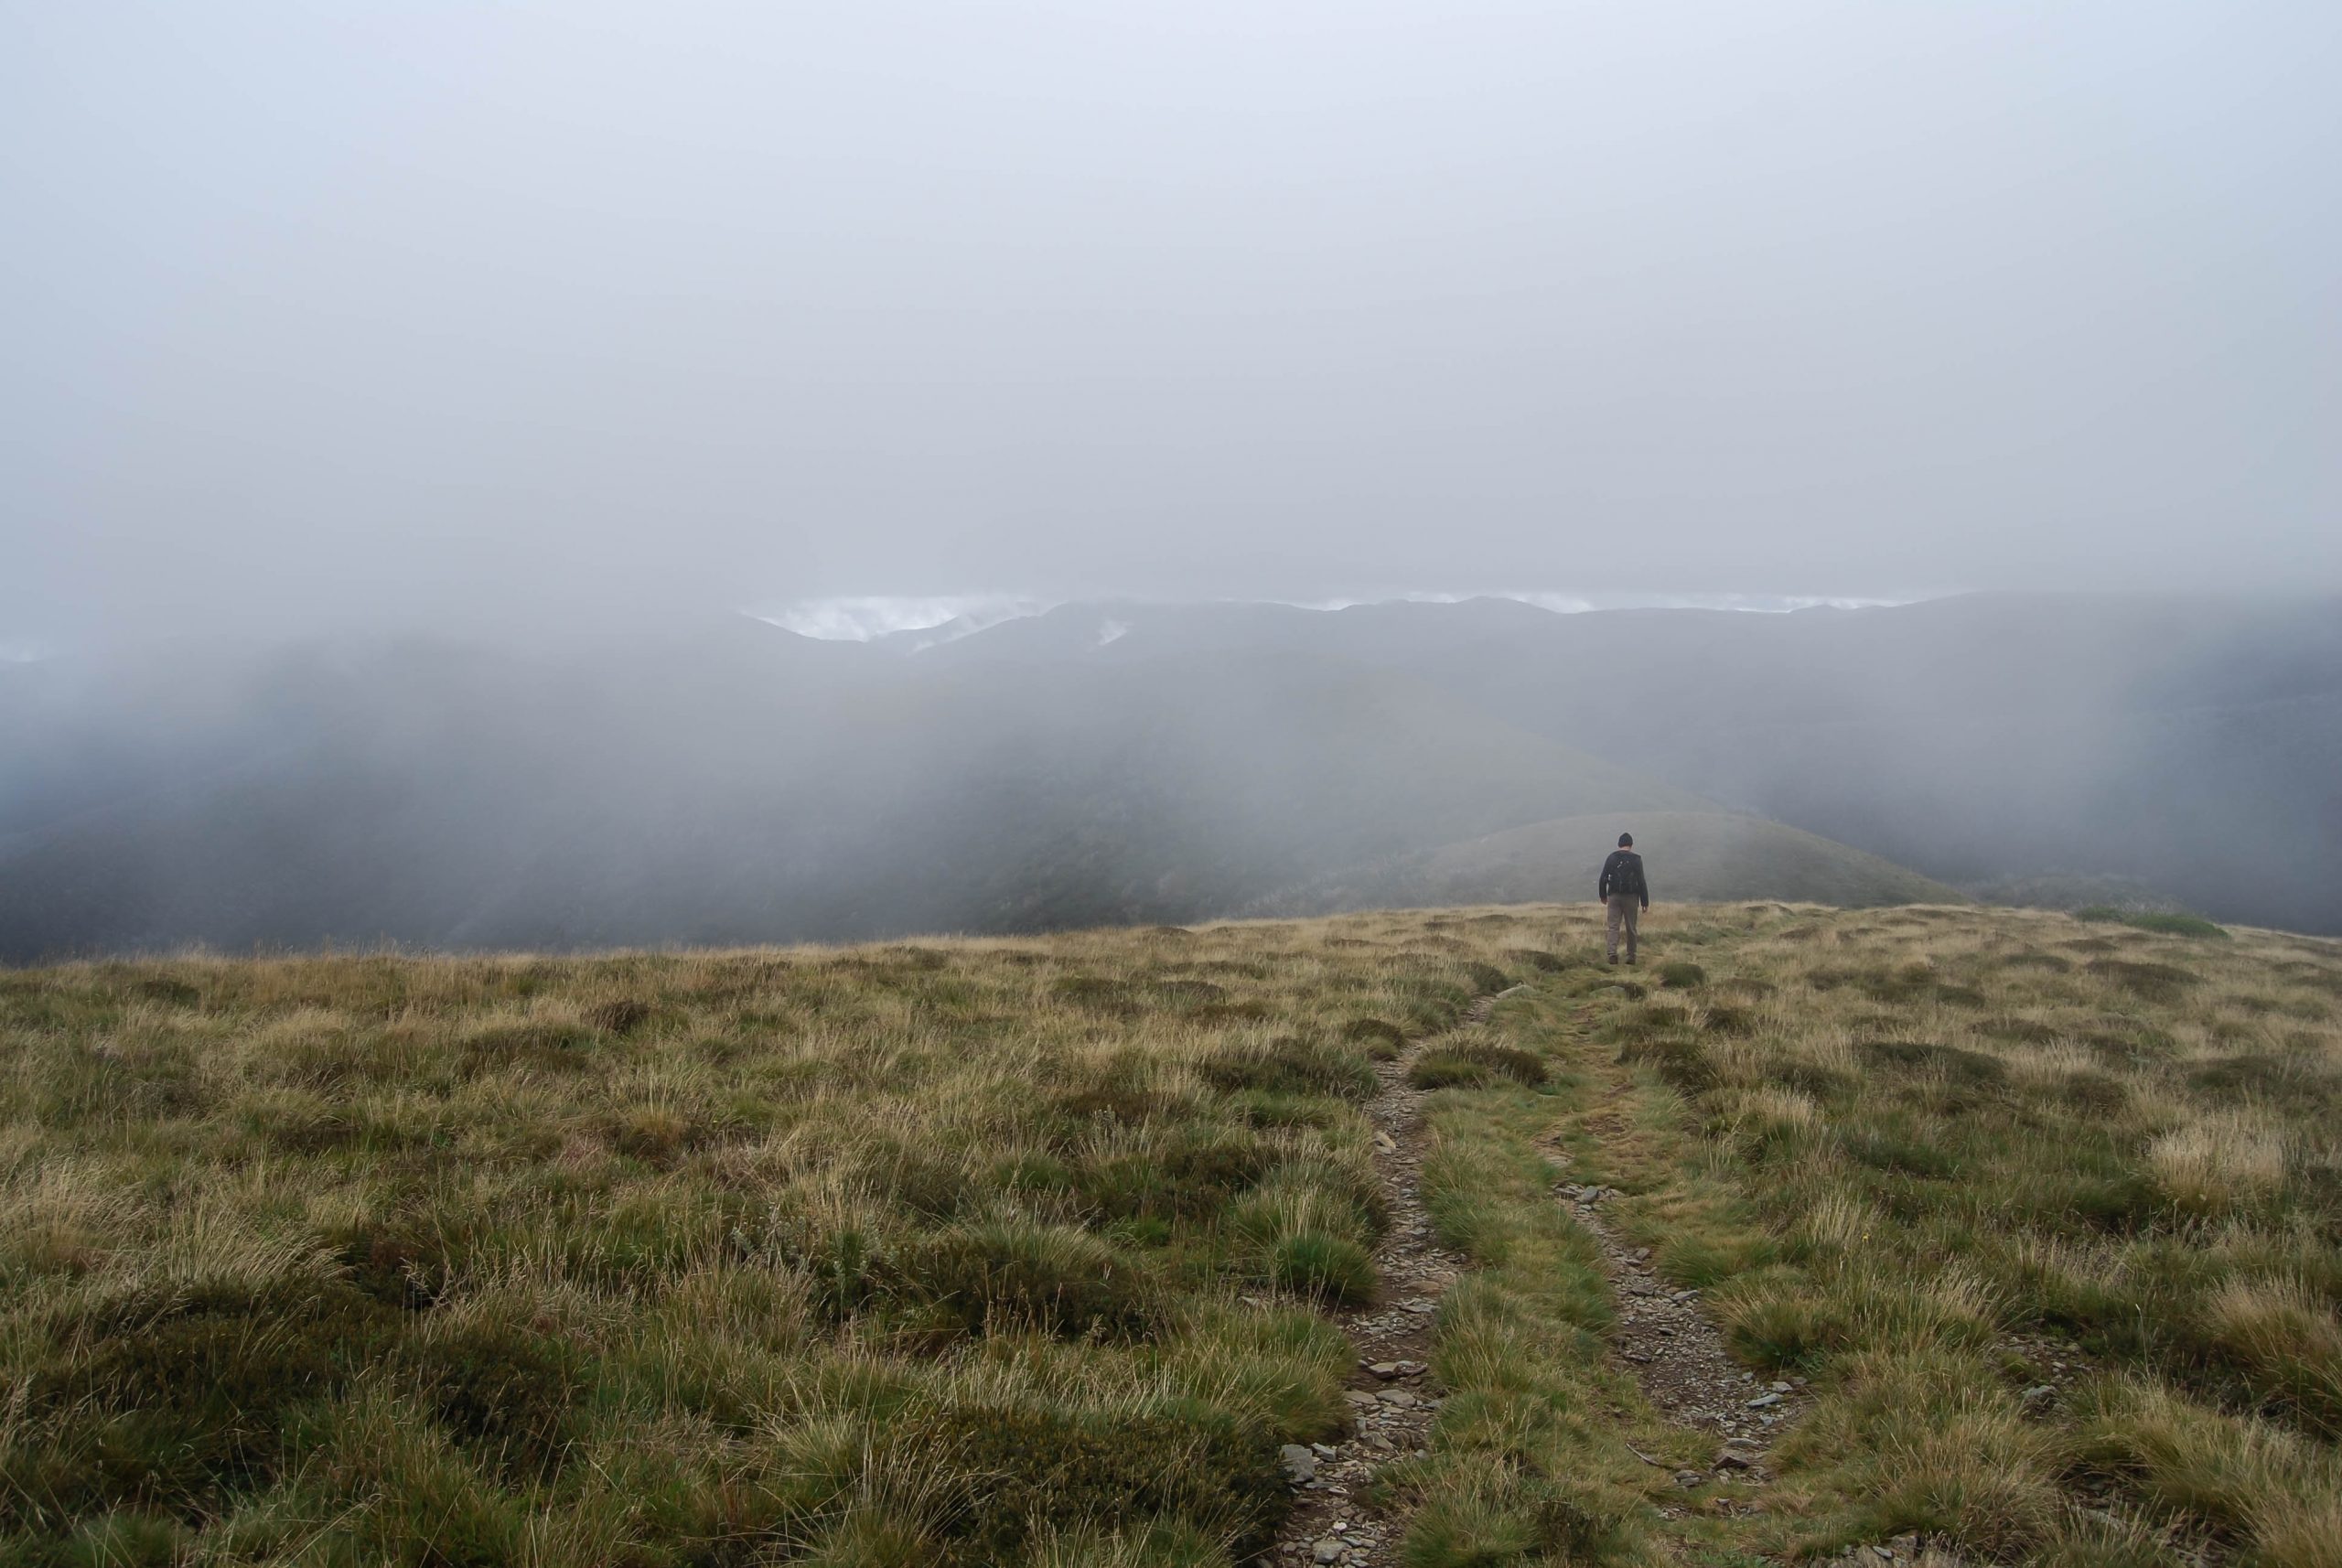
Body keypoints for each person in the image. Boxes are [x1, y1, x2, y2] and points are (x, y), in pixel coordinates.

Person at [1597, 832, 1649, 964]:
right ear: (1631, 845)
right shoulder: (1637, 859)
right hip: (1631, 897)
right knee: (1631, 927)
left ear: (1619, 844)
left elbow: (1603, 878)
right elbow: (1641, 881)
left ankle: (1612, 954)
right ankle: (1631, 956)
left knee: (1613, 926)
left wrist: (1603, 895)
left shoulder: (1611, 858)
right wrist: (1645, 901)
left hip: (1614, 896)